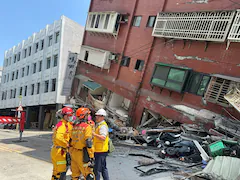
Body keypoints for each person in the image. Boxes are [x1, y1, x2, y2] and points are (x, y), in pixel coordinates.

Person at [70, 108, 95, 180]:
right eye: (88, 115)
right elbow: (88, 142)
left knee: (75, 176)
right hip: (83, 154)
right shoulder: (87, 127)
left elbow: (70, 141)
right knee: (88, 175)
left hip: (74, 154)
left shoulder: (74, 127)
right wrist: (91, 156)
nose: (89, 116)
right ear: (84, 116)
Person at [51, 107, 73, 180]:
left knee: (56, 172)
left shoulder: (65, 124)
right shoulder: (62, 125)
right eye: (69, 115)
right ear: (65, 116)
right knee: (60, 173)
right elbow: (58, 137)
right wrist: (66, 144)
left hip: (58, 151)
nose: (71, 117)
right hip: (60, 152)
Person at [93, 109, 110, 180]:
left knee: (97, 169)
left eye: (98, 116)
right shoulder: (99, 125)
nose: (97, 117)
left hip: (100, 151)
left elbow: (103, 137)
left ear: (103, 117)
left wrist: (93, 134)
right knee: (103, 168)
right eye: (96, 116)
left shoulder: (102, 126)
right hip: (100, 150)